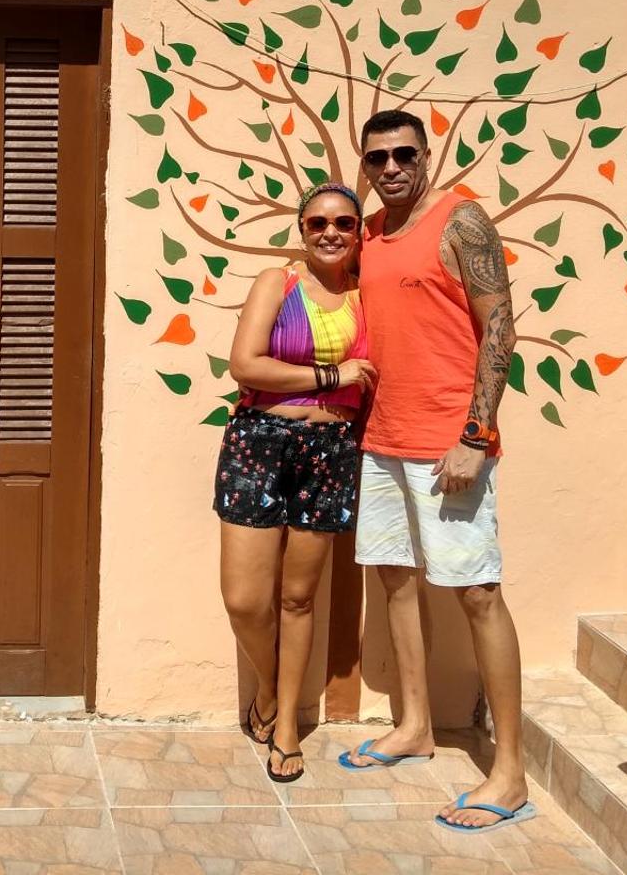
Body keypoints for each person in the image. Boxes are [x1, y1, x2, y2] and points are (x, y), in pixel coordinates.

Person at [339, 109, 535, 835]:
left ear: (426, 155)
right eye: (377, 158)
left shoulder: (463, 222)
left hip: (449, 442)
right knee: (394, 578)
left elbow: (500, 328)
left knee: (477, 593)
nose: (390, 168)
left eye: (404, 154)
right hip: (382, 439)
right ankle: (415, 725)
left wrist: (476, 436)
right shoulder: (369, 234)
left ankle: (509, 772)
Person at [218, 182, 375, 783]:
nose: (330, 232)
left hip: (329, 450)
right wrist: (335, 375)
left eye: (343, 223)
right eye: (318, 223)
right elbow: (246, 364)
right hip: (259, 441)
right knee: (245, 598)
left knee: (298, 598)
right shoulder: (276, 283)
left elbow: (380, 371)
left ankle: (286, 725)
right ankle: (267, 684)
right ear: (302, 230)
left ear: (357, 232)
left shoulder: (367, 296)